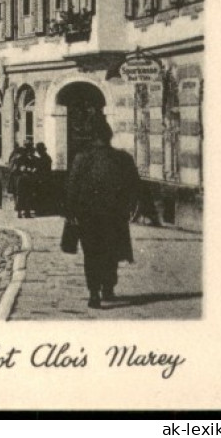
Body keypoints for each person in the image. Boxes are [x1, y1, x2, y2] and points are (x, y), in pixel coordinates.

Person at [64, 117, 141, 308]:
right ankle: (108, 288)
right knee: (111, 253)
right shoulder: (123, 158)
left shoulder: (81, 158)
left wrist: (70, 212)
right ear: (109, 136)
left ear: (92, 137)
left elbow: (72, 188)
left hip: (87, 215)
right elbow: (134, 186)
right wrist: (132, 207)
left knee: (91, 254)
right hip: (114, 215)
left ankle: (93, 294)